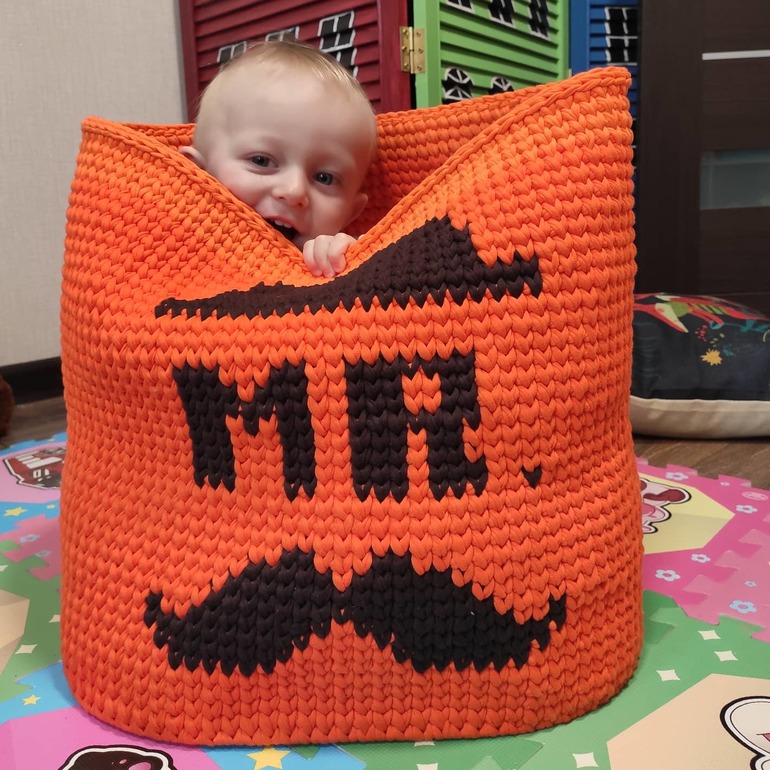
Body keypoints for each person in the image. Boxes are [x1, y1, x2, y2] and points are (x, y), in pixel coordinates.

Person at [181, 40, 377, 278]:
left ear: (350, 213)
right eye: (261, 161)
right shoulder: (169, 246)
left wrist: (349, 258)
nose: (294, 191)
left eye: (324, 178)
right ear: (197, 175)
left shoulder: (331, 259)